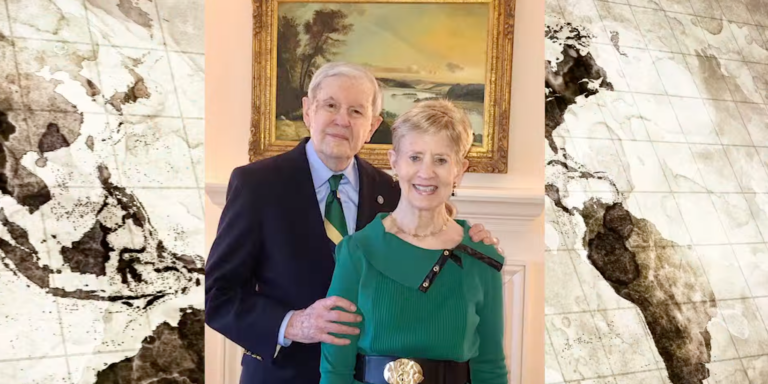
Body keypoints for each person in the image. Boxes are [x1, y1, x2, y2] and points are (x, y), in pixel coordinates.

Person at [205, 62, 503, 384]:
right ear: (308, 110)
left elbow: (430, 242)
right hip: (283, 373)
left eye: (356, 111)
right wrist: (294, 323)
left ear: (373, 125)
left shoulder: (392, 190)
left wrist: (474, 242)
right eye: (330, 105)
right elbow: (217, 294)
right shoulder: (257, 185)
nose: (342, 120)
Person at [319, 99, 507, 384]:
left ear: (460, 169)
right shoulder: (357, 251)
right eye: (415, 157)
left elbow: (491, 368)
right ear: (394, 162)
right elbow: (335, 369)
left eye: (441, 160)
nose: (426, 172)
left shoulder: (479, 257)